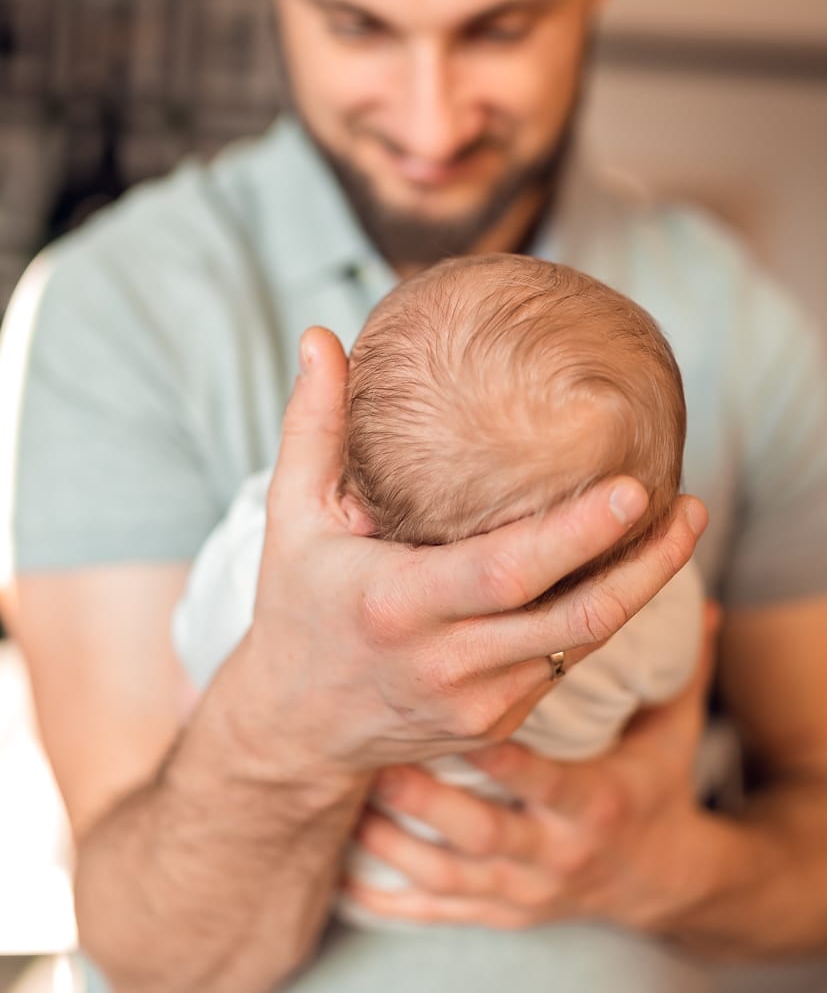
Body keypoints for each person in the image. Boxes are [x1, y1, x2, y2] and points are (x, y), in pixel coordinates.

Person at [0, 0, 827, 990]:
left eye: (498, 24)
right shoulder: (111, 311)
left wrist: (663, 862)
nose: (427, 117)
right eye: (355, 23)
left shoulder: (734, 322)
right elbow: (144, 942)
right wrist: (287, 720)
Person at [170, 254, 704, 929]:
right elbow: (675, 675)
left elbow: (192, 635)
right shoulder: (644, 610)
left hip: (347, 882)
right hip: (517, 879)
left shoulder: (263, 569)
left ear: (344, 492)